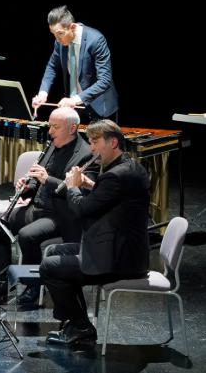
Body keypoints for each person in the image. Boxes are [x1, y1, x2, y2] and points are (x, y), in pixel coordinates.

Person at [40, 119, 150, 345]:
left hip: (119, 259)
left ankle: (81, 326)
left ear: (113, 142)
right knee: (54, 250)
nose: (91, 148)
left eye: (95, 142)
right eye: (90, 142)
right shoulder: (130, 166)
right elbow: (109, 199)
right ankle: (75, 321)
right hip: (121, 248)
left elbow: (82, 210)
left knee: (50, 267)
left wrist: (72, 187)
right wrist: (91, 186)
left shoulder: (115, 175)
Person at [0, 107, 93, 305]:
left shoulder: (85, 154)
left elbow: (79, 192)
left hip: (61, 215)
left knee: (27, 235)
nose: (50, 131)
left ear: (72, 128)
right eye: (50, 126)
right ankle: (2, 285)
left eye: (55, 127)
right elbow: (37, 177)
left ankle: (33, 286)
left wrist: (46, 179)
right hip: (38, 208)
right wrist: (27, 187)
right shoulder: (53, 144)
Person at [32, 5, 118, 122]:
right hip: (75, 108)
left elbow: (105, 80)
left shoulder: (96, 40)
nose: (57, 39)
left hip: (100, 107)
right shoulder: (59, 43)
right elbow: (52, 67)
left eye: (60, 34)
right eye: (54, 35)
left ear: (72, 27)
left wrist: (75, 99)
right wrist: (43, 93)